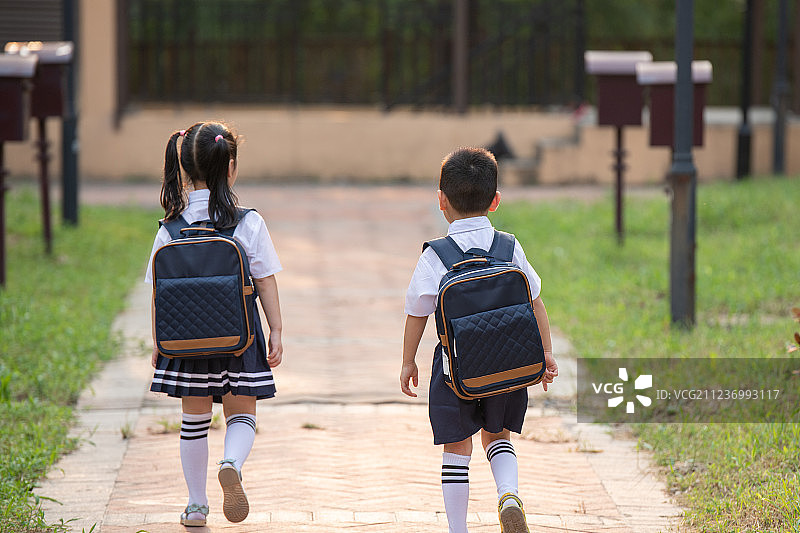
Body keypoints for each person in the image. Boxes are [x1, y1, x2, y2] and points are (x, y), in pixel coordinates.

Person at [400, 147, 558, 533]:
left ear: (441, 200)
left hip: (454, 369)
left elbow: (417, 312)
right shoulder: (509, 246)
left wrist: (408, 361)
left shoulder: (436, 256)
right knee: (498, 434)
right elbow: (535, 301)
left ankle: (459, 529)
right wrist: (546, 353)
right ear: (495, 201)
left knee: (457, 446)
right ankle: (509, 494)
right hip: (509, 362)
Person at [144, 121, 283, 527]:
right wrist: (276, 329)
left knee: (193, 421)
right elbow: (265, 280)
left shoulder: (169, 228)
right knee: (242, 413)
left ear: (184, 170)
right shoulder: (248, 223)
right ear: (231, 167)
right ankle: (231, 462)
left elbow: (158, 290)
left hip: (184, 340)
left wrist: (159, 341)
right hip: (239, 336)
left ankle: (195, 505)